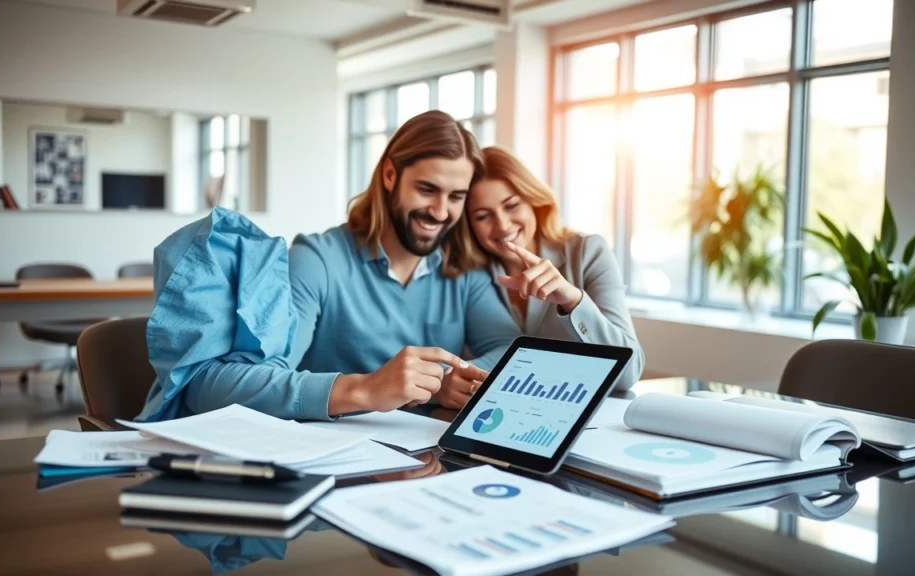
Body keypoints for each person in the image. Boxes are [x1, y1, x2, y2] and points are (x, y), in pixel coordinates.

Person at [176, 111, 523, 420]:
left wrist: (442, 380)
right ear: (390, 174)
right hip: (328, 465)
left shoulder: (462, 267)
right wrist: (365, 389)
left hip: (423, 460)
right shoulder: (317, 261)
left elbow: (515, 352)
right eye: (427, 189)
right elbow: (218, 386)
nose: (440, 211)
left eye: (456, 197)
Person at [443, 145, 644, 404]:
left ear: (533, 201)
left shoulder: (587, 253)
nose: (502, 225)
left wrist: (572, 301)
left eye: (512, 205)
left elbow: (628, 374)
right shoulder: (469, 272)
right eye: (483, 216)